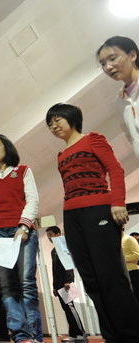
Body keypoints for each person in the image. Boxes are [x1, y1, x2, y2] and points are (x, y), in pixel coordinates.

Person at [46, 103, 139, 342]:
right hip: (71, 216)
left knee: (111, 276)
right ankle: (111, 336)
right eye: (50, 123)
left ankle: (130, 335)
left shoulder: (93, 139)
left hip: (98, 209)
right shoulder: (61, 155)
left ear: (72, 118)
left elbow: (115, 170)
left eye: (57, 119)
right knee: (90, 280)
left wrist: (118, 202)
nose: (53, 125)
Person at [0, 134, 39, 343]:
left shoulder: (23, 171)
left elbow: (32, 200)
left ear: (7, 147)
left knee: (27, 284)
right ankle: (21, 336)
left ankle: (34, 334)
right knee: (7, 287)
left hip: (23, 233)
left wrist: (24, 226)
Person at [96, 36, 139, 158]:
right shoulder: (120, 102)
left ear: (132, 55)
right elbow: (131, 136)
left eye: (113, 59)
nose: (108, 67)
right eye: (103, 64)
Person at [45, 226, 86, 341]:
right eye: (48, 235)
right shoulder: (54, 250)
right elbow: (54, 270)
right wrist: (54, 286)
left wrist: (68, 281)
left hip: (66, 283)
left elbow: (69, 266)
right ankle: (73, 333)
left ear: (58, 234)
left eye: (51, 234)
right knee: (66, 309)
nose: (49, 237)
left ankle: (81, 334)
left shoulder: (64, 246)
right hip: (58, 285)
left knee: (70, 308)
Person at [122, 230, 139, 305]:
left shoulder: (129, 239)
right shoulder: (114, 242)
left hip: (133, 272)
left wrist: (122, 259)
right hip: (122, 274)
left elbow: (137, 255)